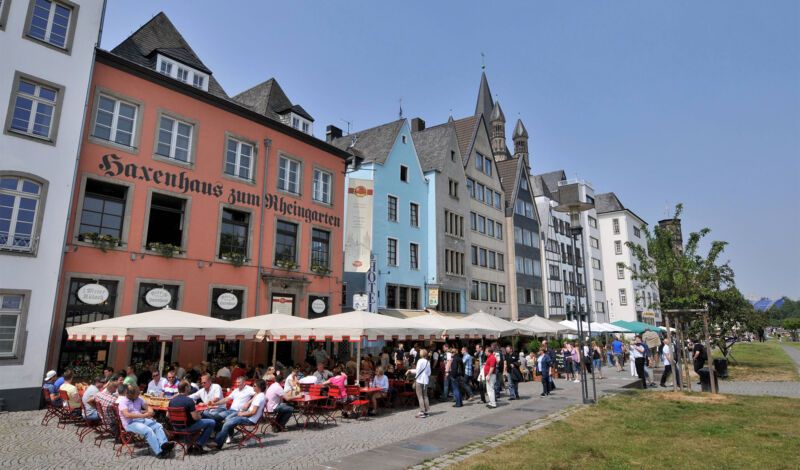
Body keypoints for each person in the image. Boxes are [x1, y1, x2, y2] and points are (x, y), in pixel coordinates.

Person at [118, 383, 175, 458]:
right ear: (131, 395)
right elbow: (127, 415)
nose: (139, 395)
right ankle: (159, 451)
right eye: (137, 394)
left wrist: (150, 411)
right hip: (130, 423)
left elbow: (147, 406)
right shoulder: (123, 402)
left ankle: (164, 444)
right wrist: (143, 415)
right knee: (148, 430)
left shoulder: (138, 398)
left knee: (157, 425)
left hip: (141, 420)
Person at [213, 379, 267, 449]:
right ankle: (226, 437)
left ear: (259, 387)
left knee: (227, 423)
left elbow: (253, 412)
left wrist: (242, 414)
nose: (253, 387)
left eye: (254, 385)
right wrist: (243, 412)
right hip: (247, 415)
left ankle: (217, 444)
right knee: (227, 419)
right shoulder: (259, 395)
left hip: (250, 419)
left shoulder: (259, 397)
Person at [168, 381, 217, 454]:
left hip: (176, 427)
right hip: (187, 427)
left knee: (187, 421)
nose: (190, 388)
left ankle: (189, 446)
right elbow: (195, 418)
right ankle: (199, 445)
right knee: (211, 422)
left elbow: (167, 416)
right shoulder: (189, 400)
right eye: (189, 386)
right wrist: (200, 416)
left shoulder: (172, 401)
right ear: (186, 388)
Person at [407, 349, 431, 418]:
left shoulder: (420, 361)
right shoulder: (428, 362)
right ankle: (426, 410)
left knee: (420, 396)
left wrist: (410, 371)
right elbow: (429, 373)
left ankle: (422, 411)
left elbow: (417, 371)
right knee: (425, 395)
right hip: (425, 380)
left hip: (420, 380)